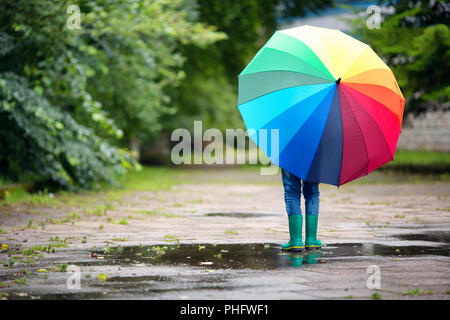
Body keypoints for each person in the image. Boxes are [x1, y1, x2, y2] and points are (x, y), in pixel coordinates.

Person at [281, 168, 322, 252]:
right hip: (312, 156)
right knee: (312, 192)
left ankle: (296, 241)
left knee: (291, 192)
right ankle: (311, 240)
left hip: (290, 156)